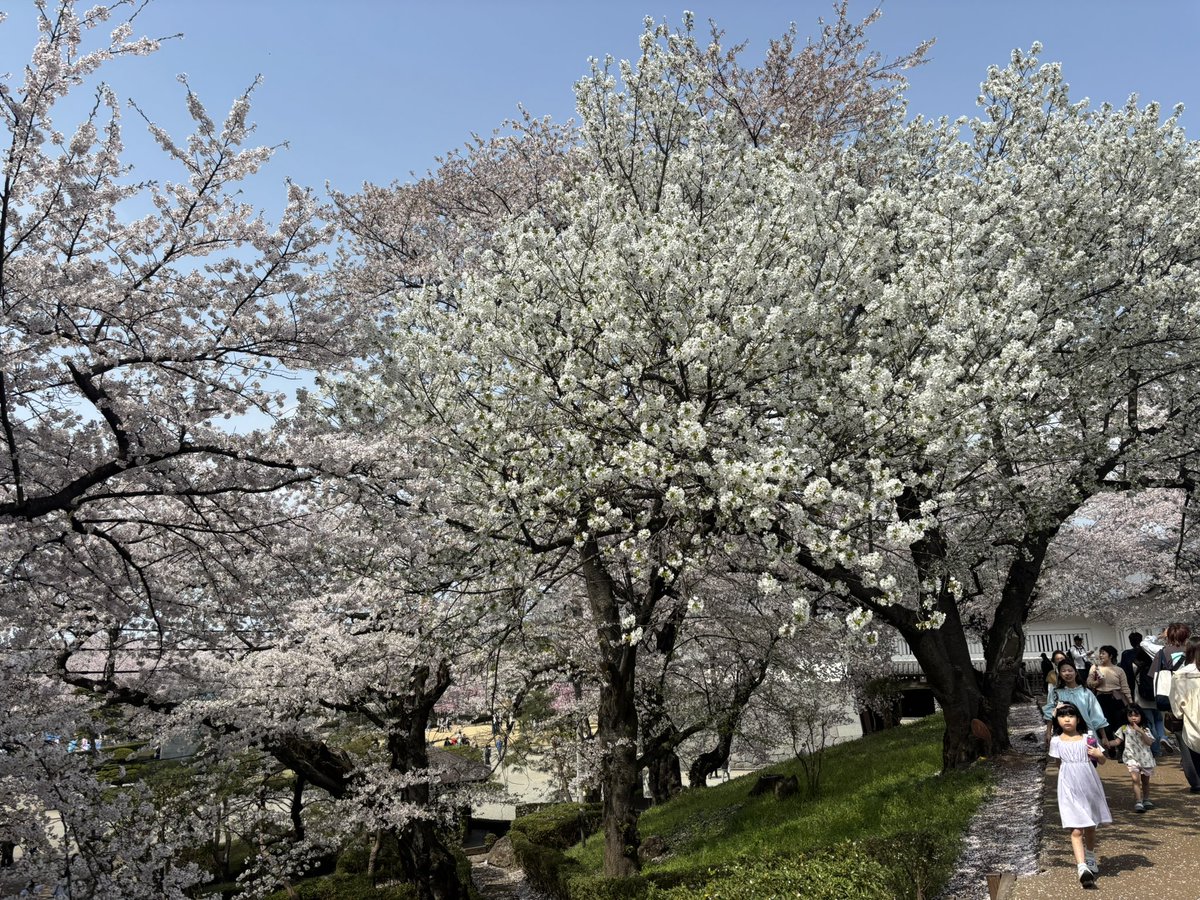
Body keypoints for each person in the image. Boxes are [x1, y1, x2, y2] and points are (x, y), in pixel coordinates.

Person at [1047, 702, 1111, 887]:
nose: (1067, 719)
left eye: (1071, 715)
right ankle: (1082, 867)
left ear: (1078, 719)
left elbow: (1102, 761)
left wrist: (1098, 753)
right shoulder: (1056, 741)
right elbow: (1058, 763)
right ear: (1057, 720)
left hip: (1089, 784)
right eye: (1062, 716)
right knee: (1076, 829)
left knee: (1090, 825)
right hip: (1068, 786)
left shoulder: (1087, 738)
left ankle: (1090, 855)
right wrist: (1066, 778)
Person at [1043, 659, 1112, 752]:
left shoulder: (1086, 693)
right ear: (1059, 674)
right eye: (1063, 671)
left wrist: (1104, 737)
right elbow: (1050, 714)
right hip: (1063, 734)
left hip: (1086, 733)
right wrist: (1048, 732)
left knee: (1089, 758)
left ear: (1075, 673)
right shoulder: (1055, 693)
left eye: (1070, 670)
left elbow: (1096, 716)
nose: (1067, 673)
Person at [1168, 634, 1200, 794]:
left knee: (1191, 755)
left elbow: (1177, 705)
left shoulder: (1180, 674)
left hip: (1191, 720)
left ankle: (1197, 784)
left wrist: (1180, 714)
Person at [1087, 645, 1132, 758]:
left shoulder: (1119, 670)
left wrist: (1130, 703)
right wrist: (1098, 682)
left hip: (1116, 698)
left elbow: (1125, 687)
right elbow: (1089, 683)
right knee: (1105, 725)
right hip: (1101, 698)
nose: (1101, 655)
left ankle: (1121, 750)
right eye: (1100, 653)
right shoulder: (1094, 668)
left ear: (1110, 656)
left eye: (1103, 653)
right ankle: (1110, 747)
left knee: (1119, 724)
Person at [1109, 704, 1156, 812]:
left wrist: (1140, 731)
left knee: (1145, 781)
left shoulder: (1145, 729)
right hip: (1131, 757)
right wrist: (1108, 743)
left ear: (1141, 716)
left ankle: (1146, 799)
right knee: (1135, 779)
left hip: (1145, 758)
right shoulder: (1124, 728)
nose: (1133, 718)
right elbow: (1117, 741)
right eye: (1130, 715)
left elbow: (1149, 742)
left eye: (1136, 715)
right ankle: (1138, 801)